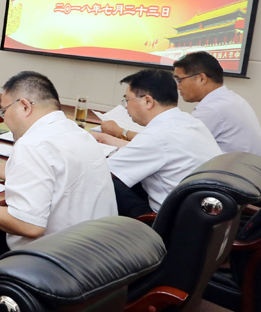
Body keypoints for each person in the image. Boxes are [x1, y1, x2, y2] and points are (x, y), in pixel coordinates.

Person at [0, 72, 116, 251]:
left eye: (4, 111)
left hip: (56, 260)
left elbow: (29, 225)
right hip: (99, 252)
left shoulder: (33, 144)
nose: (4, 118)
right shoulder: (78, 133)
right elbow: (46, 175)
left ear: (25, 107)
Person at [94, 69, 221, 217]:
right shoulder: (191, 122)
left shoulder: (156, 135)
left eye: (127, 100)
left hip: (165, 221)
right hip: (203, 214)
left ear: (148, 101)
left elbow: (103, 172)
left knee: (101, 180)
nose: (126, 107)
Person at [172, 51, 261, 161]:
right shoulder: (233, 99)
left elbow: (179, 148)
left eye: (180, 80)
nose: (178, 87)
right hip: (254, 169)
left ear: (202, 78)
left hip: (240, 170)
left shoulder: (212, 109)